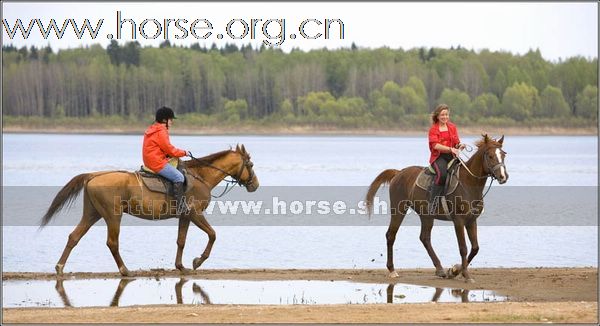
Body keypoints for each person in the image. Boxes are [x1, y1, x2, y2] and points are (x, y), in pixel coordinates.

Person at [143, 106, 191, 217]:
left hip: (151, 159)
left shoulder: (153, 128)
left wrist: (168, 155)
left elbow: (161, 148)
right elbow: (169, 149)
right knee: (179, 177)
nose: (172, 122)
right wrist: (184, 153)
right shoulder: (162, 130)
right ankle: (180, 207)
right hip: (157, 162)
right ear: (165, 120)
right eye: (171, 119)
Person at [427, 104, 465, 215]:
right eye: (442, 115)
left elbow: (456, 142)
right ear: (438, 116)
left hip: (452, 156)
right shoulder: (433, 129)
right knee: (442, 175)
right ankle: (433, 203)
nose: (445, 117)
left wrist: (460, 146)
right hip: (438, 157)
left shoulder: (452, 127)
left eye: (447, 114)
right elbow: (435, 146)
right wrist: (450, 149)